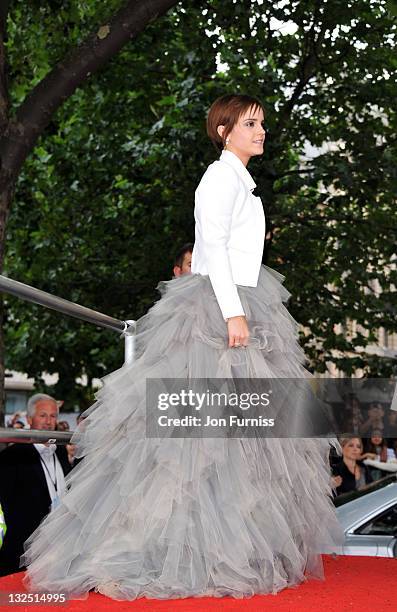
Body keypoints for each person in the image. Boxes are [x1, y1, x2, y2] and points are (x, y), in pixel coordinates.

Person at [21, 94, 343, 600]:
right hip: (221, 309)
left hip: (239, 302)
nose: (261, 130)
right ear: (224, 130)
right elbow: (211, 247)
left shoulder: (238, 178)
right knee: (193, 445)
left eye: (261, 122)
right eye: (251, 123)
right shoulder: (219, 178)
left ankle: (222, 551)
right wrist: (234, 313)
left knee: (234, 444)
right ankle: (155, 552)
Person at [0, 393, 71, 576]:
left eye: (53, 416)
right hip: (22, 553)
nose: (48, 421)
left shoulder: (61, 451)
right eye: (42, 415)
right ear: (29, 419)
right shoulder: (12, 456)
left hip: (59, 547)